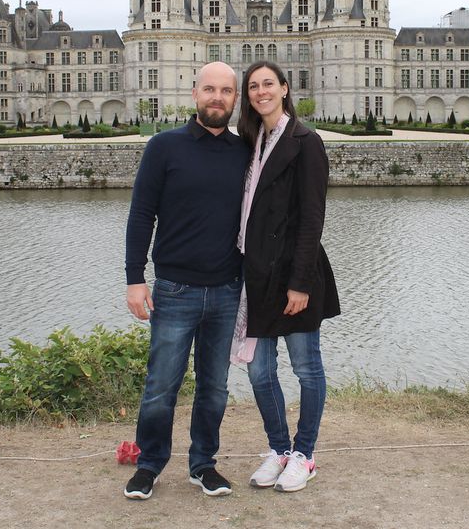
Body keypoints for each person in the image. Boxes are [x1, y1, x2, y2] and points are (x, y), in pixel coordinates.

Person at [123, 61, 250, 500]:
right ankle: (149, 464)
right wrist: (134, 278)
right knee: (161, 385)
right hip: (175, 288)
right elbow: (141, 214)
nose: (218, 98)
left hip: (227, 290)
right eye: (210, 89)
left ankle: (203, 464)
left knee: (214, 387)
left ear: (236, 99)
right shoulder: (164, 147)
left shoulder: (245, 151)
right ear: (194, 93)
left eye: (227, 91)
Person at [235, 60, 340, 493]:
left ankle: (305, 454)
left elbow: (313, 218)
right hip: (256, 275)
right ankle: (279, 449)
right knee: (259, 373)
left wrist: (300, 282)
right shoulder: (250, 139)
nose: (260, 92)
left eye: (268, 84)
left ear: (284, 89)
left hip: (295, 275)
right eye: (253, 86)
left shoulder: (306, 141)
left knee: (306, 368)